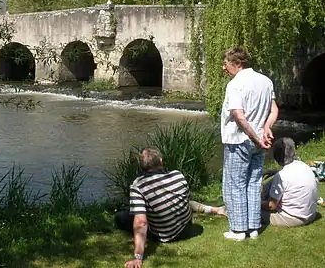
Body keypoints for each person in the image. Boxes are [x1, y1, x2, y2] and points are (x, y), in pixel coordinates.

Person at [115, 148, 213, 268]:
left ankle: (141, 238)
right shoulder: (178, 175)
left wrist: (138, 257)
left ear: (141, 166)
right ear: (161, 161)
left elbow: (141, 222)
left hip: (165, 235)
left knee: (121, 217)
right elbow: (187, 200)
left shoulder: (138, 185)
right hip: (187, 228)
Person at [220, 47, 278, 241]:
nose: (224, 67)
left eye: (226, 63)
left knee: (235, 184)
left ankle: (237, 231)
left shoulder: (236, 84)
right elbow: (274, 110)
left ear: (238, 63)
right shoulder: (265, 81)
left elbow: (238, 115)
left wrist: (255, 136)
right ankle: (253, 227)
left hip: (240, 141)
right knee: (254, 182)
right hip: (259, 141)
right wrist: (267, 128)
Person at [262, 137, 318, 227]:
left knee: (253, 212)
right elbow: (290, 175)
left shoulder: (282, 175)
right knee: (273, 182)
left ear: (277, 156)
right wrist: (273, 171)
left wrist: (257, 203)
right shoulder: (304, 166)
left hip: (295, 219)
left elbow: (272, 206)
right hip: (311, 214)